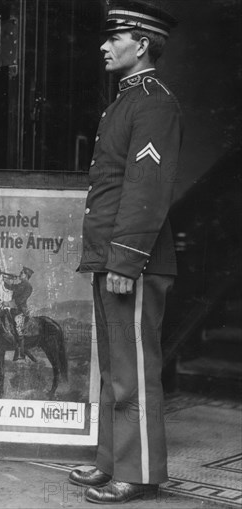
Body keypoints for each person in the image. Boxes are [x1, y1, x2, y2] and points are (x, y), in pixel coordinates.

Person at [69, 0, 182, 504]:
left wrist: (125, 259)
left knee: (133, 369)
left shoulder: (154, 102)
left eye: (114, 39)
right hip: (111, 256)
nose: (104, 46)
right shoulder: (125, 101)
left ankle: (137, 474)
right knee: (116, 369)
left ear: (141, 44)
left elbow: (146, 186)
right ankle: (113, 461)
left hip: (130, 260)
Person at [2, 267, 34, 360]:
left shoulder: (28, 286)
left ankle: (21, 354)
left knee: (18, 327)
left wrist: (8, 303)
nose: (20, 274)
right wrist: (4, 279)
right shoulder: (20, 284)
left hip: (21, 311)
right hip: (14, 310)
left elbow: (21, 300)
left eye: (22, 273)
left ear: (26, 275)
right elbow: (10, 287)